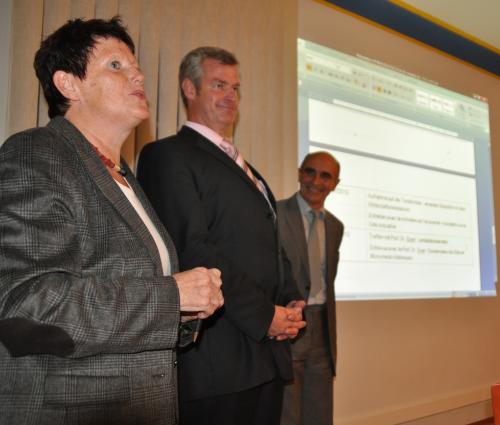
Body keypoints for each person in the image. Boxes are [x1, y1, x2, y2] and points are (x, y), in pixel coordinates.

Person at [0, 17, 224, 425]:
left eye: (135, 66)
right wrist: (171, 297)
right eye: (116, 65)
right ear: (69, 85)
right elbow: (29, 305)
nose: (138, 75)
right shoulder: (36, 154)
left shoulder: (122, 176)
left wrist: (183, 314)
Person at [137, 46, 306, 425]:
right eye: (218, 85)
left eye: (235, 87)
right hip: (219, 362)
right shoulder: (168, 155)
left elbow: (269, 244)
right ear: (189, 89)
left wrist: (290, 299)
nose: (231, 95)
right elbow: (191, 249)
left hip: (266, 354)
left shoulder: (248, 168)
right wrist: (265, 315)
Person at [277, 152, 343, 425]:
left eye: (325, 176)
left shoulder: (336, 226)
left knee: (319, 414)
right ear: (299, 173)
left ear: (335, 184)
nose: (316, 181)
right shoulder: (275, 213)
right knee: (287, 414)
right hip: (288, 325)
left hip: (322, 330)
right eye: (310, 171)